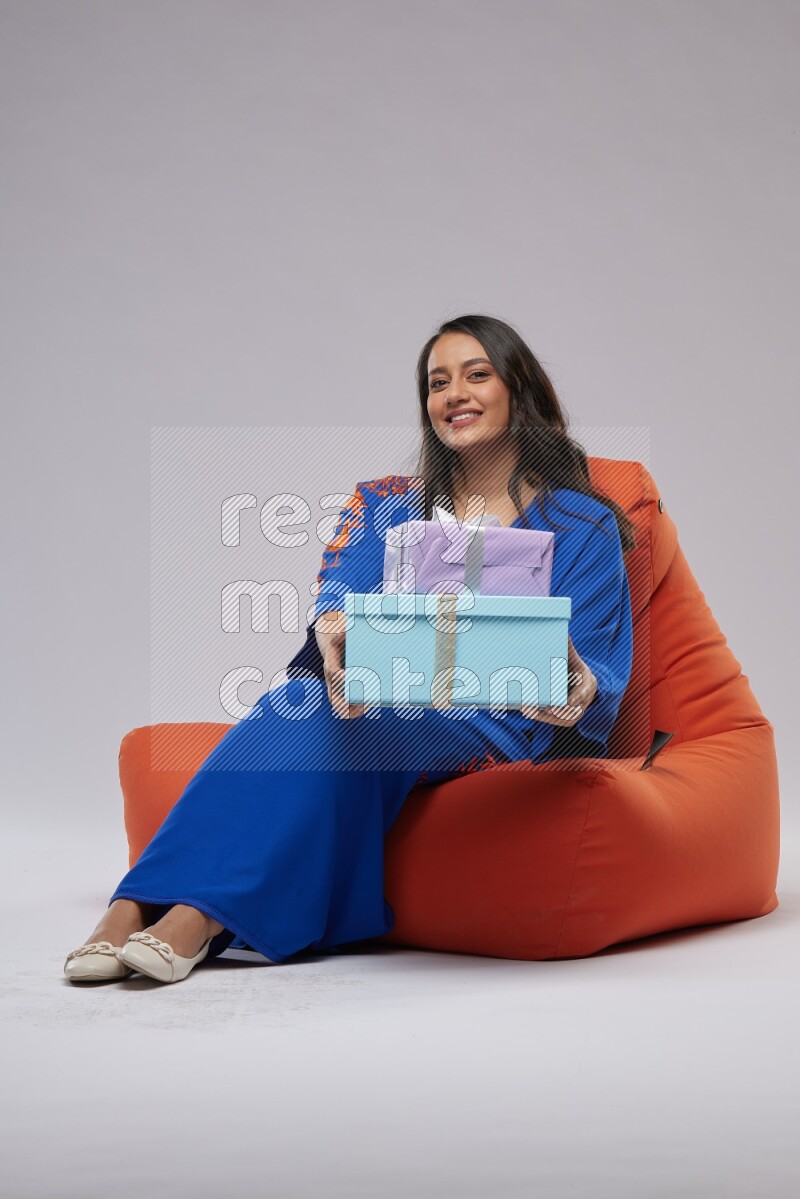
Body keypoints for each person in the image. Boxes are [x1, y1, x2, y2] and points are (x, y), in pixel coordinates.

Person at [63, 314, 636, 985]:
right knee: (304, 696)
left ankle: (194, 914)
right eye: (437, 381)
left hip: (500, 718)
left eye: (476, 374)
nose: (454, 392)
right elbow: (341, 594)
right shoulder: (387, 505)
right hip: (388, 692)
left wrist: (577, 682)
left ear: (519, 389)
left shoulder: (582, 521)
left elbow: (595, 668)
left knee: (350, 718)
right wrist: (334, 629)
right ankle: (134, 906)